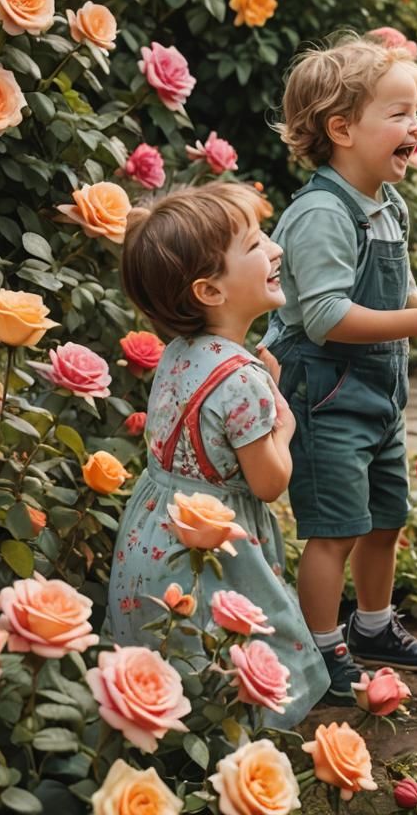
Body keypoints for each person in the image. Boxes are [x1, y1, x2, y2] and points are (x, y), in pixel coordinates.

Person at [263, 36, 417, 704]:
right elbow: (329, 315)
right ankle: (322, 648)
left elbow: (401, 290)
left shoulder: (388, 204)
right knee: (335, 527)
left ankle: (373, 626)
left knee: (385, 515)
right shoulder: (321, 214)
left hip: (380, 391)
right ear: (340, 129)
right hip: (325, 389)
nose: (414, 126)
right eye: (398, 113)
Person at [107, 182, 329, 728]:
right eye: (255, 246)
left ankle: (179, 733)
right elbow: (269, 483)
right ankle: (231, 744)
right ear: (209, 291)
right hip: (211, 545)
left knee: (180, 650)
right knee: (231, 647)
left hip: (158, 531)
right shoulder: (244, 378)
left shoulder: (179, 353)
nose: (275, 249)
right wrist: (284, 418)